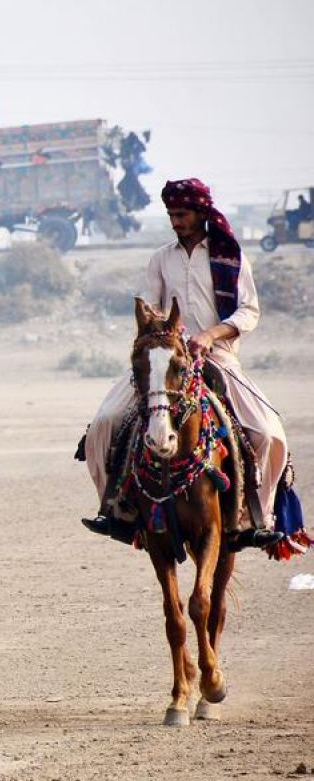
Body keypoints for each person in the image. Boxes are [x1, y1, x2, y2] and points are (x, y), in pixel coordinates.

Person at [81, 178, 286, 552]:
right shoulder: (161, 258)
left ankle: (256, 516)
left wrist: (209, 336)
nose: (176, 222)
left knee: (270, 434)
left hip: (216, 356)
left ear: (201, 212)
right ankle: (115, 509)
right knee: (105, 424)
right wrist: (159, 326)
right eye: (171, 215)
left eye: (182, 214)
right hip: (165, 357)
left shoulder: (230, 256)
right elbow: (149, 302)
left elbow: (249, 311)